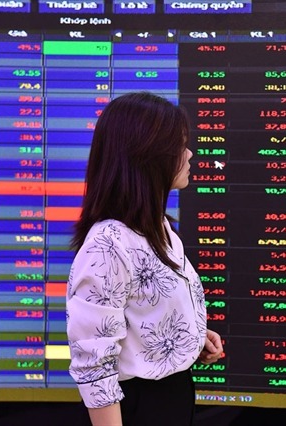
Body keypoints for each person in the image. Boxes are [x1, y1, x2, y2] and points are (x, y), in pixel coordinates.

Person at [66, 92, 223, 426]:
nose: (190, 154)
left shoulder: (159, 227)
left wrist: (192, 339)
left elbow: (145, 313)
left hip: (173, 395)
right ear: (149, 155)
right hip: (137, 407)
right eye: (180, 145)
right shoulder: (108, 244)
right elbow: (94, 362)